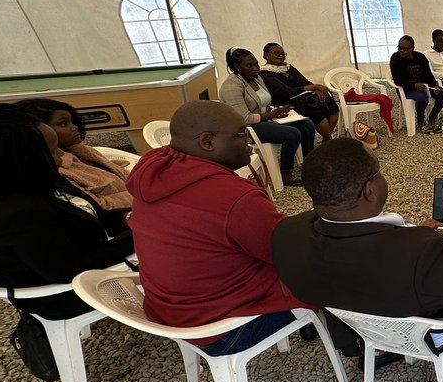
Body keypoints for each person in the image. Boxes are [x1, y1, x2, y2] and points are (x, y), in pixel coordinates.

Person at [271, 139, 443, 361]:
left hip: (360, 323)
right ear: (370, 190)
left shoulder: (286, 236)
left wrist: (407, 234)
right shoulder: (423, 252)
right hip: (425, 327)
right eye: (379, 172)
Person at [126, 101, 308, 353]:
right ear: (208, 142)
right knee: (338, 269)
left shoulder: (154, 173)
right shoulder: (234, 197)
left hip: (170, 314)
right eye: (241, 135)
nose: (249, 142)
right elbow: (291, 255)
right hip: (224, 329)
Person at [0, 105, 134, 321]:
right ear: (15, 160)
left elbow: (88, 212)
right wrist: (137, 237)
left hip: (83, 259)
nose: (61, 159)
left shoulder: (37, 178)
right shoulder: (17, 214)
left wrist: (127, 218)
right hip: (59, 293)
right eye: (53, 152)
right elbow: (71, 269)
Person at [17, 97, 133, 212]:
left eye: (72, 121)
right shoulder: (55, 169)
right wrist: (138, 195)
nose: (74, 127)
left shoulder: (84, 151)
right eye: (63, 124)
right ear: (41, 130)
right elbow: (95, 206)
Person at [220, 47, 316, 185]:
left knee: (307, 125)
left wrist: (277, 111)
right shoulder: (231, 86)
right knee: (292, 134)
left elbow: (264, 103)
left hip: (264, 119)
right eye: (249, 65)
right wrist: (271, 114)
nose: (255, 68)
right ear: (237, 67)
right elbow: (244, 119)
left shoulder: (256, 78)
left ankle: (309, 162)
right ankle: (285, 173)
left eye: (256, 64)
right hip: (246, 129)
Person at [260, 42, 340, 142]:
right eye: (276, 53)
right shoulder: (265, 73)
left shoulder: (288, 68)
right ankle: (329, 140)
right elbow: (285, 91)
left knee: (332, 106)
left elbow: (305, 82)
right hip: (285, 103)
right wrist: (313, 86)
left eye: (283, 53)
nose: (280, 55)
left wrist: (316, 90)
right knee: (318, 113)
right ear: (266, 55)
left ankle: (326, 140)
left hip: (301, 100)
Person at [390, 35, 443, 134]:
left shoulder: (420, 57)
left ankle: (432, 118)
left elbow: (429, 75)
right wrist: (414, 85)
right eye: (399, 48)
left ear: (412, 48)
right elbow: (398, 80)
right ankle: (421, 121)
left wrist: (434, 86)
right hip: (406, 89)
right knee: (422, 97)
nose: (402, 51)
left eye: (405, 49)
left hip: (424, 86)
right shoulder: (395, 58)